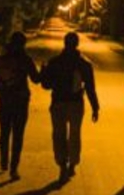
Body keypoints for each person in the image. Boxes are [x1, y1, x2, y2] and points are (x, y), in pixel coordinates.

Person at [39, 31, 100, 181]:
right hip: (76, 104)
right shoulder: (84, 64)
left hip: (58, 103)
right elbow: (90, 88)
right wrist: (95, 107)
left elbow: (46, 85)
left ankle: (62, 164)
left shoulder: (54, 62)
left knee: (58, 135)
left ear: (65, 43)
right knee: (74, 135)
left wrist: (43, 72)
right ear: (77, 44)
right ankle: (72, 163)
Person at [0, 31, 41, 179]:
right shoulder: (26, 60)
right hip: (21, 103)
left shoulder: (0, 60)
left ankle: (3, 160)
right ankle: (14, 169)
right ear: (23, 44)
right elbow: (36, 79)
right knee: (18, 135)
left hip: (4, 101)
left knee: (4, 132)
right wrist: (44, 71)